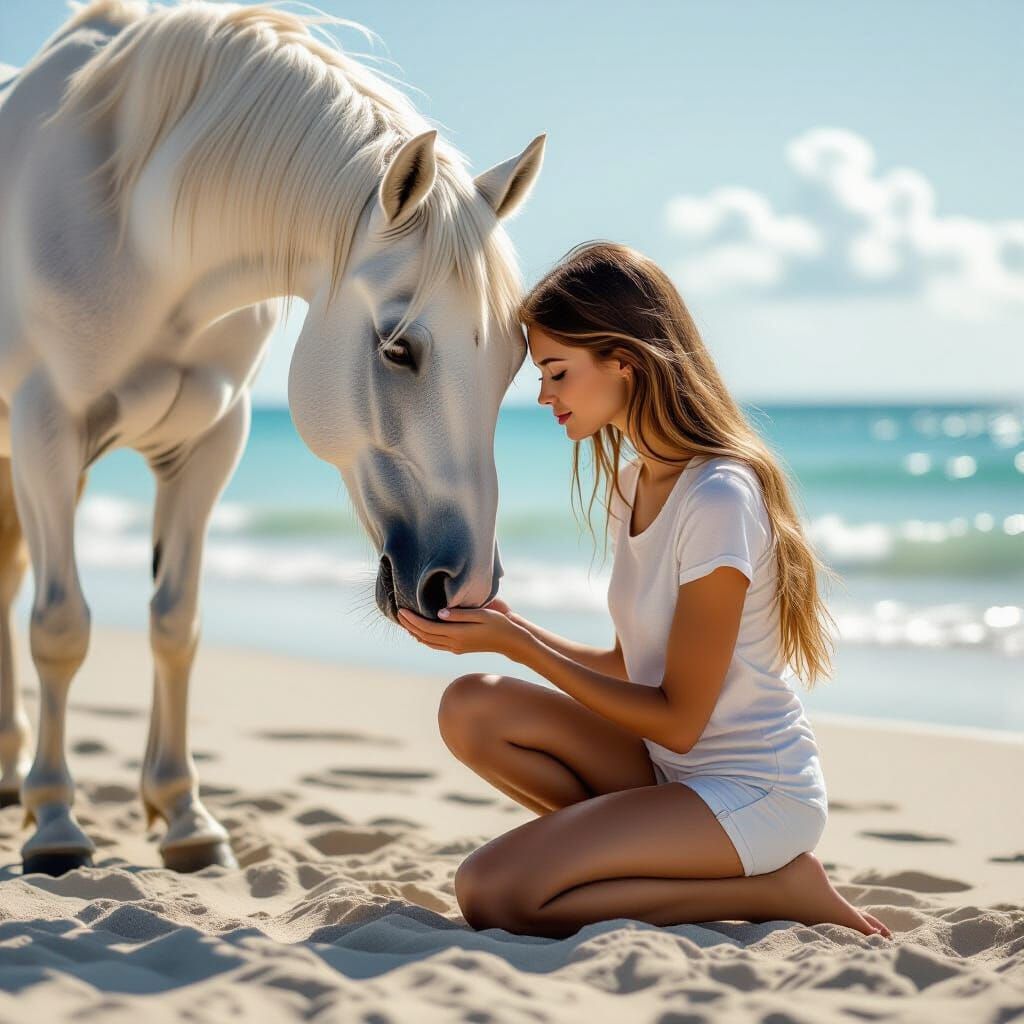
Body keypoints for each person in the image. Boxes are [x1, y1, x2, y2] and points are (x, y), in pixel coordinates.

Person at [398, 240, 893, 942]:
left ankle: (776, 887)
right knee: (472, 706)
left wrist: (523, 648)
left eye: (557, 372)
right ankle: (636, 853)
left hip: (754, 793)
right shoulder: (635, 484)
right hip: (671, 774)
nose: (543, 395)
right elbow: (636, 673)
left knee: (494, 894)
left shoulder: (719, 496)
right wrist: (513, 634)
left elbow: (678, 718)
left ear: (623, 362)